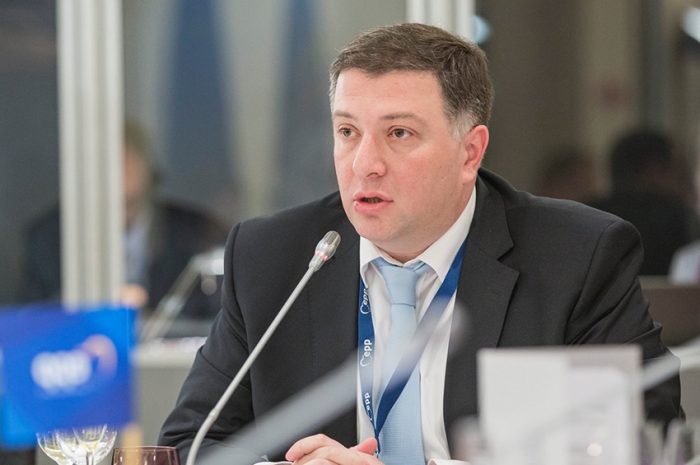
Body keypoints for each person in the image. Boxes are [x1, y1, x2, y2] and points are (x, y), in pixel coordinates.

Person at [159, 24, 682, 464]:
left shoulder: (578, 257)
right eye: (347, 132)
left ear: (469, 152)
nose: (365, 163)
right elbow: (189, 445)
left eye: (399, 134)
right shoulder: (273, 258)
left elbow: (646, 444)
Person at [19, 121, 228, 325]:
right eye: (104, 160)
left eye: (127, 158)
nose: (117, 169)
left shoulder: (197, 235)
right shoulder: (49, 239)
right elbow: (34, 322)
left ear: (149, 167)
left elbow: (217, 319)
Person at [590, 128, 700, 275]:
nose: (680, 177)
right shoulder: (677, 215)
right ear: (652, 169)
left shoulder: (590, 214)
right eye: (675, 167)